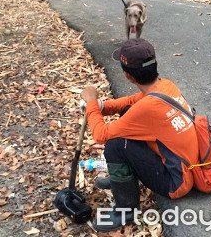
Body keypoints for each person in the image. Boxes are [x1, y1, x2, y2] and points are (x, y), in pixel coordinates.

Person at [80, 38, 198, 232]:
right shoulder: (165, 86)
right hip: (186, 167)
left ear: (129, 76)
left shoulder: (148, 107)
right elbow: (131, 100)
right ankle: (123, 181)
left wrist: (91, 103)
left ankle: (126, 210)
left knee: (115, 145)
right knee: (128, 111)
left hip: (176, 182)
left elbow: (101, 135)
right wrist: (101, 106)